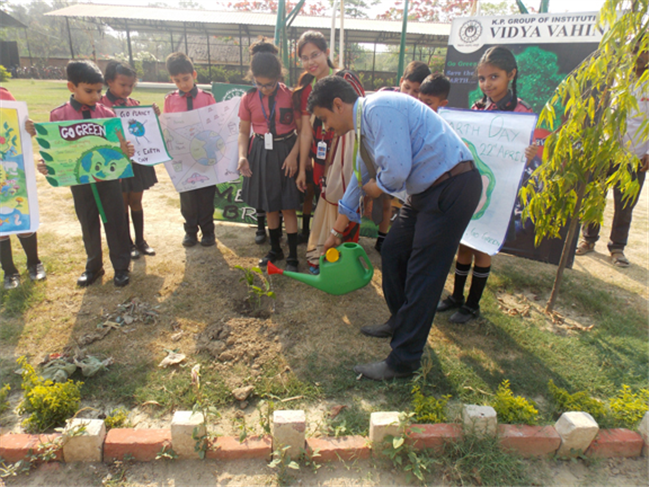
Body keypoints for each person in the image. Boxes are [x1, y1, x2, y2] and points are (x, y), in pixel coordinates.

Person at [312, 76, 482, 381]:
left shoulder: (380, 108)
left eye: (324, 118)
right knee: (393, 251)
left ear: (338, 104)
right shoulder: (365, 126)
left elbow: (396, 170)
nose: (326, 128)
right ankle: (400, 321)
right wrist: (336, 232)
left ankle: (404, 360)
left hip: (451, 186)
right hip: (425, 192)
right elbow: (360, 176)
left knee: (423, 273)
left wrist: (378, 188)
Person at [437, 46, 537, 324]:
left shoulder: (522, 111)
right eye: (482, 78)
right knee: (465, 242)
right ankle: (456, 297)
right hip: (473, 187)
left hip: (501, 192)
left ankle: (472, 306)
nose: (487, 84)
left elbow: (526, 153)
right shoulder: (477, 108)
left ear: (511, 75)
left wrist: (529, 154)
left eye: (494, 77)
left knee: (483, 246)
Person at [47, 60, 135, 287]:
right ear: (71, 87)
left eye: (99, 91)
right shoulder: (59, 115)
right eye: (89, 91)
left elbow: (121, 147)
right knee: (88, 222)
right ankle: (94, 266)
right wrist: (48, 164)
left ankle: (121, 267)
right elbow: (55, 151)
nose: (96, 96)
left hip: (109, 180)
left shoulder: (107, 113)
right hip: (80, 181)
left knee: (116, 221)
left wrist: (126, 150)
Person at [293, 31, 365, 274]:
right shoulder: (307, 88)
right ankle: (323, 257)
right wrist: (302, 168)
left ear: (326, 53)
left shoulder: (345, 79)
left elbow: (361, 119)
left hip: (347, 156)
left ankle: (344, 262)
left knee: (347, 199)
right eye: (304, 58)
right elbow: (306, 132)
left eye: (314, 55)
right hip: (321, 158)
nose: (310, 62)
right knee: (324, 202)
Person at [575, 48, 649, 267]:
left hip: (635, 155)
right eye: (635, 49)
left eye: (645, 51)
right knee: (595, 198)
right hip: (605, 150)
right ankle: (588, 240)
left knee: (625, 205)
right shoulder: (616, 76)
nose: (639, 55)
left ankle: (617, 247)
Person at [237, 40, 302, 272]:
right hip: (260, 152)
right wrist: (242, 156)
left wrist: (294, 156)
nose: (264, 88)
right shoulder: (248, 98)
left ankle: (293, 256)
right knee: (270, 206)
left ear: (278, 76)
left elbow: (303, 131)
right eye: (259, 84)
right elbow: (243, 132)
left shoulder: (290, 96)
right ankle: (275, 250)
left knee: (288, 207)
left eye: (270, 84)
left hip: (287, 151)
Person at [99, 60, 159, 260]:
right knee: (122, 203)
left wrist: (153, 115)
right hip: (115, 162)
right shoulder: (101, 106)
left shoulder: (134, 104)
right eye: (122, 84)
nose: (127, 89)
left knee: (136, 200)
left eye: (131, 85)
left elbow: (145, 129)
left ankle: (141, 241)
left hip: (137, 160)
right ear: (109, 81)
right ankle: (128, 243)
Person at [374, 61, 433, 253]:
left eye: (416, 91)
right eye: (407, 87)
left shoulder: (422, 109)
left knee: (402, 203)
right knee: (383, 199)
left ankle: (392, 239)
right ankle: (380, 237)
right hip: (385, 158)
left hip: (409, 163)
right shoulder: (385, 97)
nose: (409, 94)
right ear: (401, 81)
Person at [163, 52, 218, 248]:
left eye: (186, 79)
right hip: (183, 157)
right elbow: (167, 127)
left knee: (206, 195)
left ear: (194, 75)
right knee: (187, 197)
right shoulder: (170, 100)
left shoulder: (207, 98)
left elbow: (215, 124)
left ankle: (208, 232)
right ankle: (190, 231)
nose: (183, 84)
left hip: (204, 155)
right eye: (177, 80)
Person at [0, 87, 46, 290]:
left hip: (10, 166)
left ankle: (34, 263)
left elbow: (17, 125)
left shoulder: (3, 95)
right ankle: (9, 271)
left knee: (21, 213)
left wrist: (28, 129)